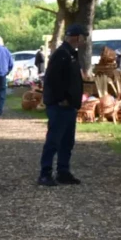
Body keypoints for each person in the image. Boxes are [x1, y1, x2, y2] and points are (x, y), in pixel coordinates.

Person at [38, 24, 87, 186]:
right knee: (54, 140)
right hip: (60, 106)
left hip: (70, 106)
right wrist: (61, 99)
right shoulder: (62, 54)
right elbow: (53, 80)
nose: (84, 41)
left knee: (67, 141)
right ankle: (45, 173)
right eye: (83, 37)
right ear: (76, 37)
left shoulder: (71, 54)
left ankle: (63, 171)